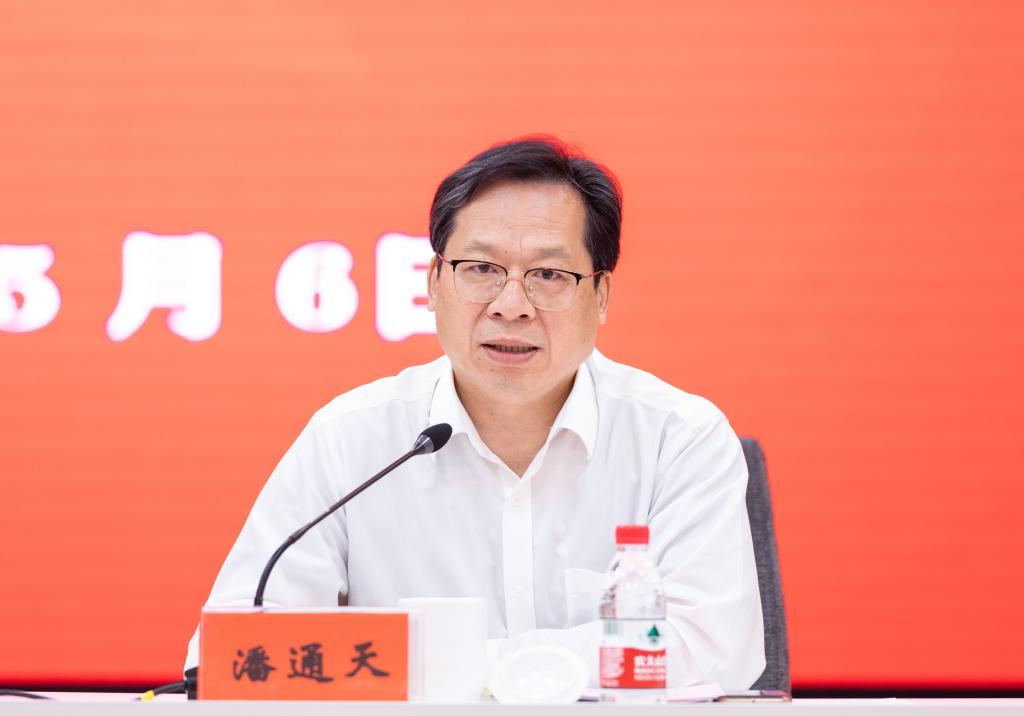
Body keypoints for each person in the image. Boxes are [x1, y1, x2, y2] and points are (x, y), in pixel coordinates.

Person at [185, 136, 765, 689]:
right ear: (435, 284)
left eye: (548, 275)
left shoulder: (677, 439)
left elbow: (714, 649)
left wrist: (454, 669)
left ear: (601, 296)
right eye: (482, 269)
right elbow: (236, 647)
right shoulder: (353, 439)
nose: (511, 306)